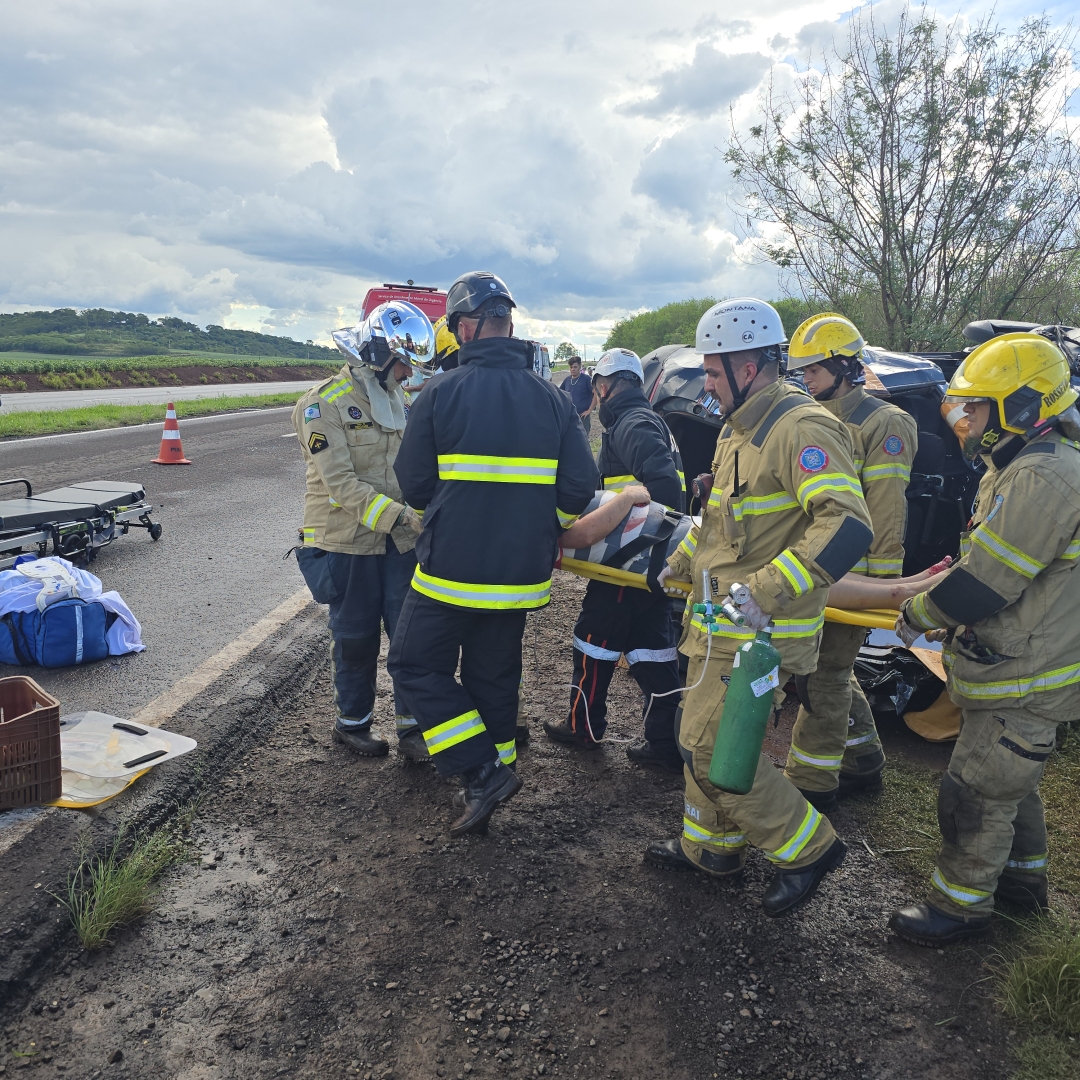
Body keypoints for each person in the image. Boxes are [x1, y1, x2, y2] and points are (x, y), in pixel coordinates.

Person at [646, 297, 873, 916]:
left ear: (749, 364)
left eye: (714, 374)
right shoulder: (739, 429)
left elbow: (848, 524)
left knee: (705, 744)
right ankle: (711, 849)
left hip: (759, 631)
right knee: (699, 734)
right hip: (715, 626)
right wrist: (675, 564)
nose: (709, 387)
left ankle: (808, 849)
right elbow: (719, 521)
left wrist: (766, 590)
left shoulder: (802, 427)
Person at [389, 270, 598, 837]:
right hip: (519, 576)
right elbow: (580, 487)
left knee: (413, 663)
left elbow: (413, 485)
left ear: (465, 327)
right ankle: (493, 776)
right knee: (494, 675)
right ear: (507, 325)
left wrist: (457, 515)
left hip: (450, 572)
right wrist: (542, 526)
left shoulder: (438, 392)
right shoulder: (552, 397)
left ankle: (480, 772)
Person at [889, 333, 1080, 945]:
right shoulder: (1031, 465)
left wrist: (917, 612)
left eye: (976, 408)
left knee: (974, 791)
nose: (964, 421)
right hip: (1023, 665)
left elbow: (986, 586)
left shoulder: (1043, 479)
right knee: (1010, 785)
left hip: (1027, 671)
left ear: (1020, 408)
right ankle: (1023, 888)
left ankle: (960, 908)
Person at [783, 313, 919, 810]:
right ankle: (863, 760)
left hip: (854, 575)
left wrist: (877, 594)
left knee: (826, 673)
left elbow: (886, 513)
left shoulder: (885, 423)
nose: (806, 379)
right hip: (812, 568)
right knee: (827, 669)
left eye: (814, 369)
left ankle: (812, 781)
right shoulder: (808, 415)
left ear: (845, 365)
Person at [292, 300, 434, 760]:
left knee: (408, 637)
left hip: (399, 543)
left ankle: (413, 732)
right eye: (404, 364)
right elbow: (341, 486)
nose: (409, 375)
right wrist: (404, 516)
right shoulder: (321, 406)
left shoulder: (398, 401)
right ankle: (352, 725)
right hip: (347, 545)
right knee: (354, 640)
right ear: (378, 355)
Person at [544, 347, 686, 771]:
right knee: (652, 649)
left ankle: (583, 727)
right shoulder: (647, 419)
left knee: (594, 640)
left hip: (629, 561)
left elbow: (663, 490)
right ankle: (665, 740)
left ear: (603, 388)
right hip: (647, 563)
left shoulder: (632, 423)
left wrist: (630, 537)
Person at [560, 356, 595, 435]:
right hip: (570, 416)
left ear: (580, 366)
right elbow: (559, 393)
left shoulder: (586, 379)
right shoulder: (567, 380)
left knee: (583, 440)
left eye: (575, 367)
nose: (573, 369)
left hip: (583, 416)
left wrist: (589, 410)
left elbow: (596, 393)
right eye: (571, 367)